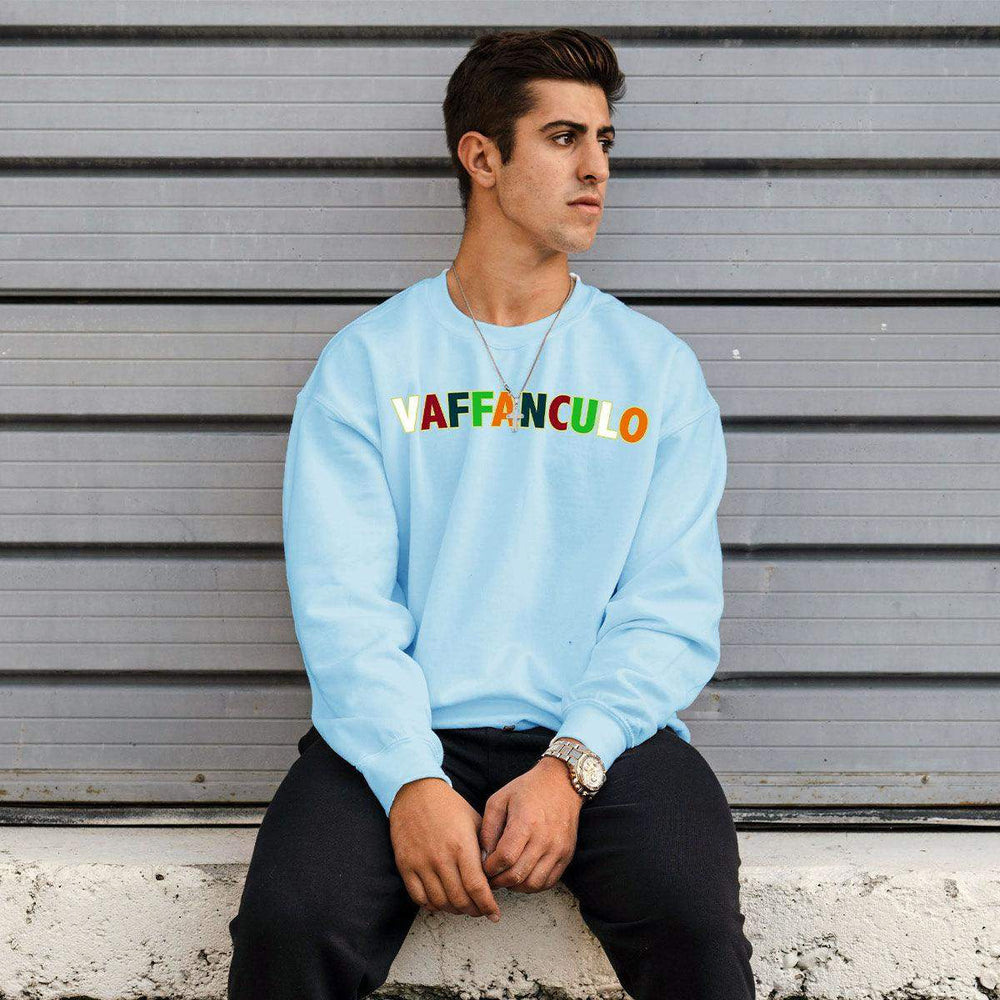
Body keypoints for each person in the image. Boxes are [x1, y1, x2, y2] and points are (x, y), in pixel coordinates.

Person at [227, 26, 755, 1000]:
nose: (597, 168)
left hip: (605, 735)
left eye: (604, 141)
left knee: (692, 920)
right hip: (403, 727)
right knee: (290, 925)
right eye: (563, 138)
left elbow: (669, 607)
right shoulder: (369, 364)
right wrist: (409, 778)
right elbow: (344, 605)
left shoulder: (654, 370)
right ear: (481, 157)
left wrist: (571, 764)